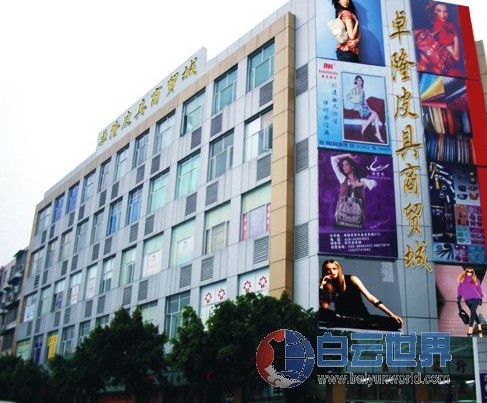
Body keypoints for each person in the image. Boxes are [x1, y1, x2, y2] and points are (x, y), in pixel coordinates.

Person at [319, 259, 403, 330]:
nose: (332, 272)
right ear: (325, 271)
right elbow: (325, 307)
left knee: (396, 323)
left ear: (338, 269)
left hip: (362, 317)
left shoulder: (352, 279)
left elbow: (370, 297)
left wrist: (391, 314)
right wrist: (322, 287)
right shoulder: (326, 284)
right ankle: (350, 323)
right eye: (328, 270)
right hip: (342, 317)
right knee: (321, 312)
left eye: (334, 269)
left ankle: (357, 324)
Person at [414, 1, 462, 75]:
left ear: (448, 12)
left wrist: (455, 36)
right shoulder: (442, 27)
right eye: (439, 11)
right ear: (435, 11)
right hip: (436, 63)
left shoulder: (442, 26)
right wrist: (456, 36)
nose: (443, 15)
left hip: (439, 64)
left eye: (445, 11)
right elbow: (456, 57)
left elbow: (456, 57)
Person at [331, 153, 376, 228]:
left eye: (346, 165)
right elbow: (333, 159)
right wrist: (348, 155)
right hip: (342, 218)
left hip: (357, 219)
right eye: (343, 165)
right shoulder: (342, 178)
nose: (344, 167)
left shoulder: (361, 180)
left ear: (352, 166)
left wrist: (360, 184)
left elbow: (374, 183)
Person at [346, 75, 384, 142]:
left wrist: (370, 109)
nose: (359, 82)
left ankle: (377, 133)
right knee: (375, 114)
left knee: (375, 114)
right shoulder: (354, 90)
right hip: (358, 108)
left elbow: (364, 102)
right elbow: (352, 100)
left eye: (360, 80)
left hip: (363, 107)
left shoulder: (362, 90)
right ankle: (368, 128)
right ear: (355, 81)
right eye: (358, 80)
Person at [457, 267, 483, 336]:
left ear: (472, 273)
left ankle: (469, 331)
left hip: (476, 298)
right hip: (467, 299)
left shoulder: (476, 280)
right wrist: (459, 299)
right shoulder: (462, 281)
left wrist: (481, 298)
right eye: (468, 271)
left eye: (471, 272)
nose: (469, 273)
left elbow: (479, 289)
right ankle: (480, 329)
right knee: (475, 315)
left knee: (472, 313)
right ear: (466, 272)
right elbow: (460, 291)